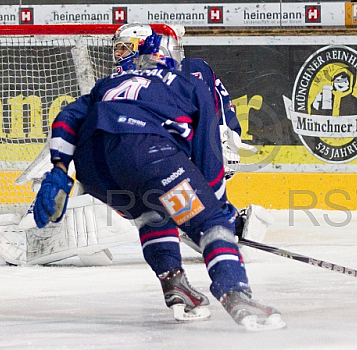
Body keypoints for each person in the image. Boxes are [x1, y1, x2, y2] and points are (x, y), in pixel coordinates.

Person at [32, 32, 285, 330]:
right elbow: (208, 150)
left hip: (95, 169)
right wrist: (218, 207)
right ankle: (235, 292)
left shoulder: (109, 84)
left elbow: (66, 118)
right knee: (210, 221)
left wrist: (60, 169)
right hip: (148, 154)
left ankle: (174, 283)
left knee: (152, 212)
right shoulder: (188, 83)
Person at [0, 24, 265, 266]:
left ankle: (222, 225)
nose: (119, 54)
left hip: (175, 162)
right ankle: (36, 224)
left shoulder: (187, 73)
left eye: (125, 48)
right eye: (117, 48)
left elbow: (213, 110)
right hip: (136, 166)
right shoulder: (114, 84)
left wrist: (225, 137)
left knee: (180, 210)